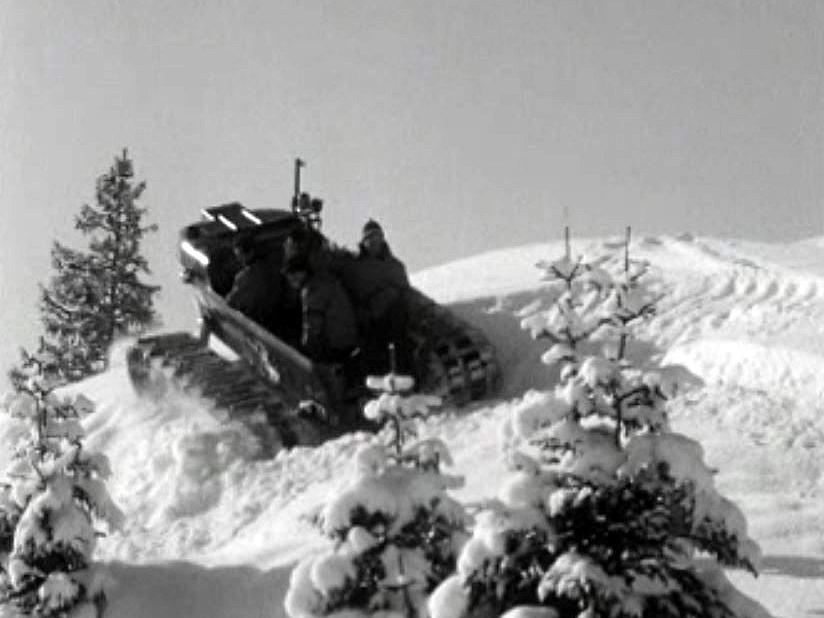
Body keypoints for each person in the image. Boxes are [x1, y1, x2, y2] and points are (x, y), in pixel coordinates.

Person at [333, 219, 413, 376]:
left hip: (392, 318)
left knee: (400, 349)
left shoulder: (395, 265)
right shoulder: (354, 265)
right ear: (364, 241)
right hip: (366, 321)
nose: (374, 241)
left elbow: (404, 292)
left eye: (377, 237)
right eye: (370, 238)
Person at [281, 253, 359, 366]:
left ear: (300, 273)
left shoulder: (312, 290)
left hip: (336, 346)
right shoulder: (324, 280)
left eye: (290, 275)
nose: (289, 280)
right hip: (348, 340)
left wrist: (302, 350)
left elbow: (312, 327)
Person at [225, 234, 284, 335]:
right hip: (278, 324)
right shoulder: (274, 267)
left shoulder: (245, 277)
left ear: (250, 253)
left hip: (258, 327)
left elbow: (231, 302)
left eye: (240, 256)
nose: (239, 260)